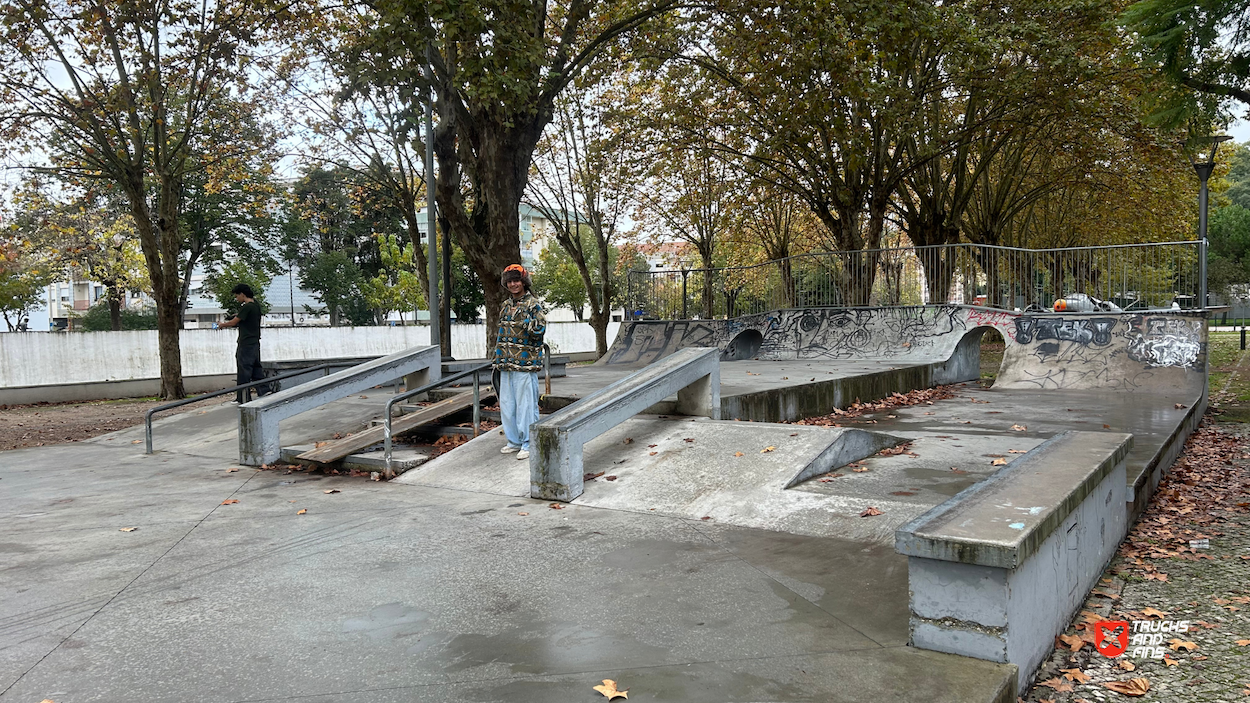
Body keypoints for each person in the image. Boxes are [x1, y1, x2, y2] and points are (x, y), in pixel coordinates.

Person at [492, 264, 546, 460]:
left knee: (526, 404)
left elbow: (540, 330)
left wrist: (526, 324)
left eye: (516, 280)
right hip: (505, 362)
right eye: (510, 281)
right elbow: (501, 333)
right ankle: (513, 441)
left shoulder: (534, 304)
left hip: (525, 363)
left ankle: (529, 442)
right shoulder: (505, 305)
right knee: (507, 404)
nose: (513, 284)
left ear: (524, 282)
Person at [218, 283, 270, 404]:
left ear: (242, 294)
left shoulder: (247, 307)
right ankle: (264, 390)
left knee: (244, 369)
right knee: (256, 367)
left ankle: (243, 397)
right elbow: (245, 318)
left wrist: (222, 325)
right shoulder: (256, 305)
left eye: (237, 296)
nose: (237, 299)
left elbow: (233, 322)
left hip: (246, 342)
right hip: (255, 341)